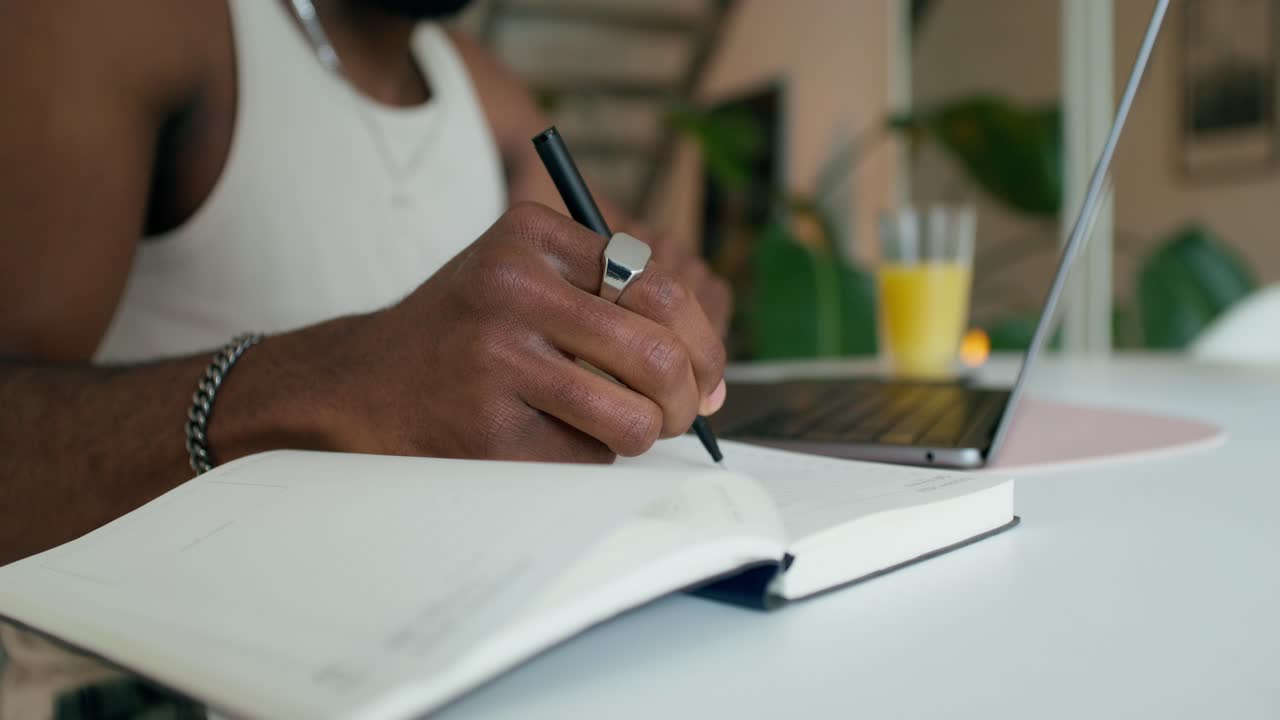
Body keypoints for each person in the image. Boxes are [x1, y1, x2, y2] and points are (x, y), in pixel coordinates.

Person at [0, 0, 733, 565]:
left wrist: (668, 302)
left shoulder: (474, 81)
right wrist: (331, 382)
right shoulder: (140, 23)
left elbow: (633, 255)